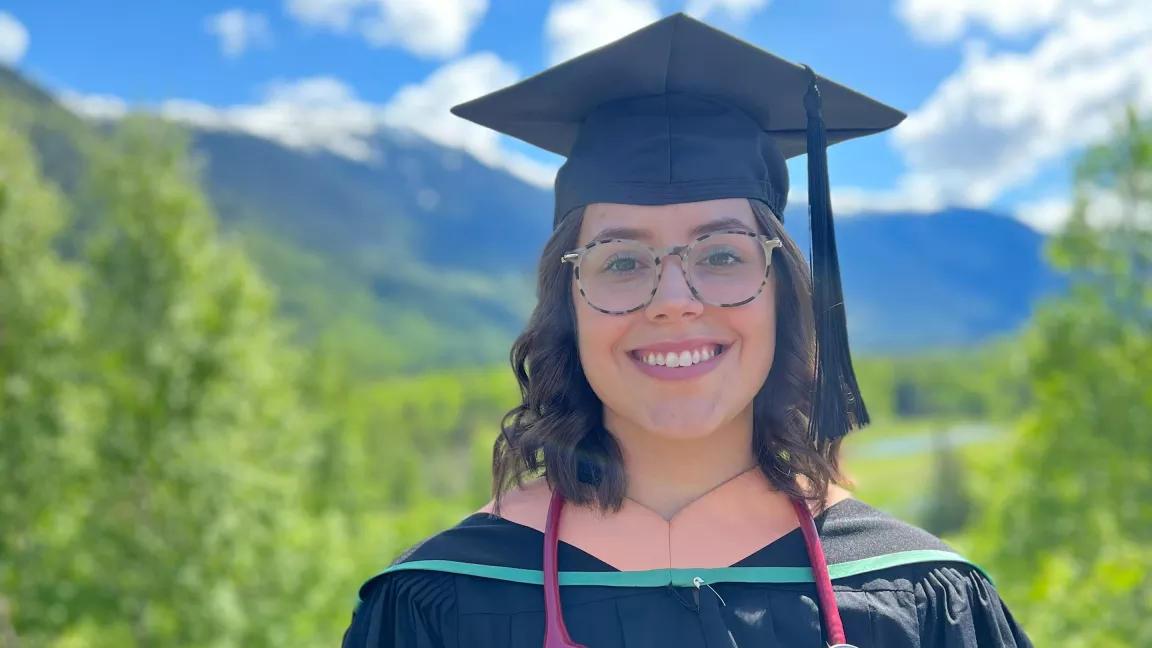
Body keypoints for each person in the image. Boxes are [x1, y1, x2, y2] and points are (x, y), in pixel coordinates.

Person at [341, 13, 1033, 648]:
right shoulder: (441, 600)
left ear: (784, 297)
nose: (673, 300)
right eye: (621, 261)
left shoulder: (921, 599)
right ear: (567, 302)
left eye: (723, 255)